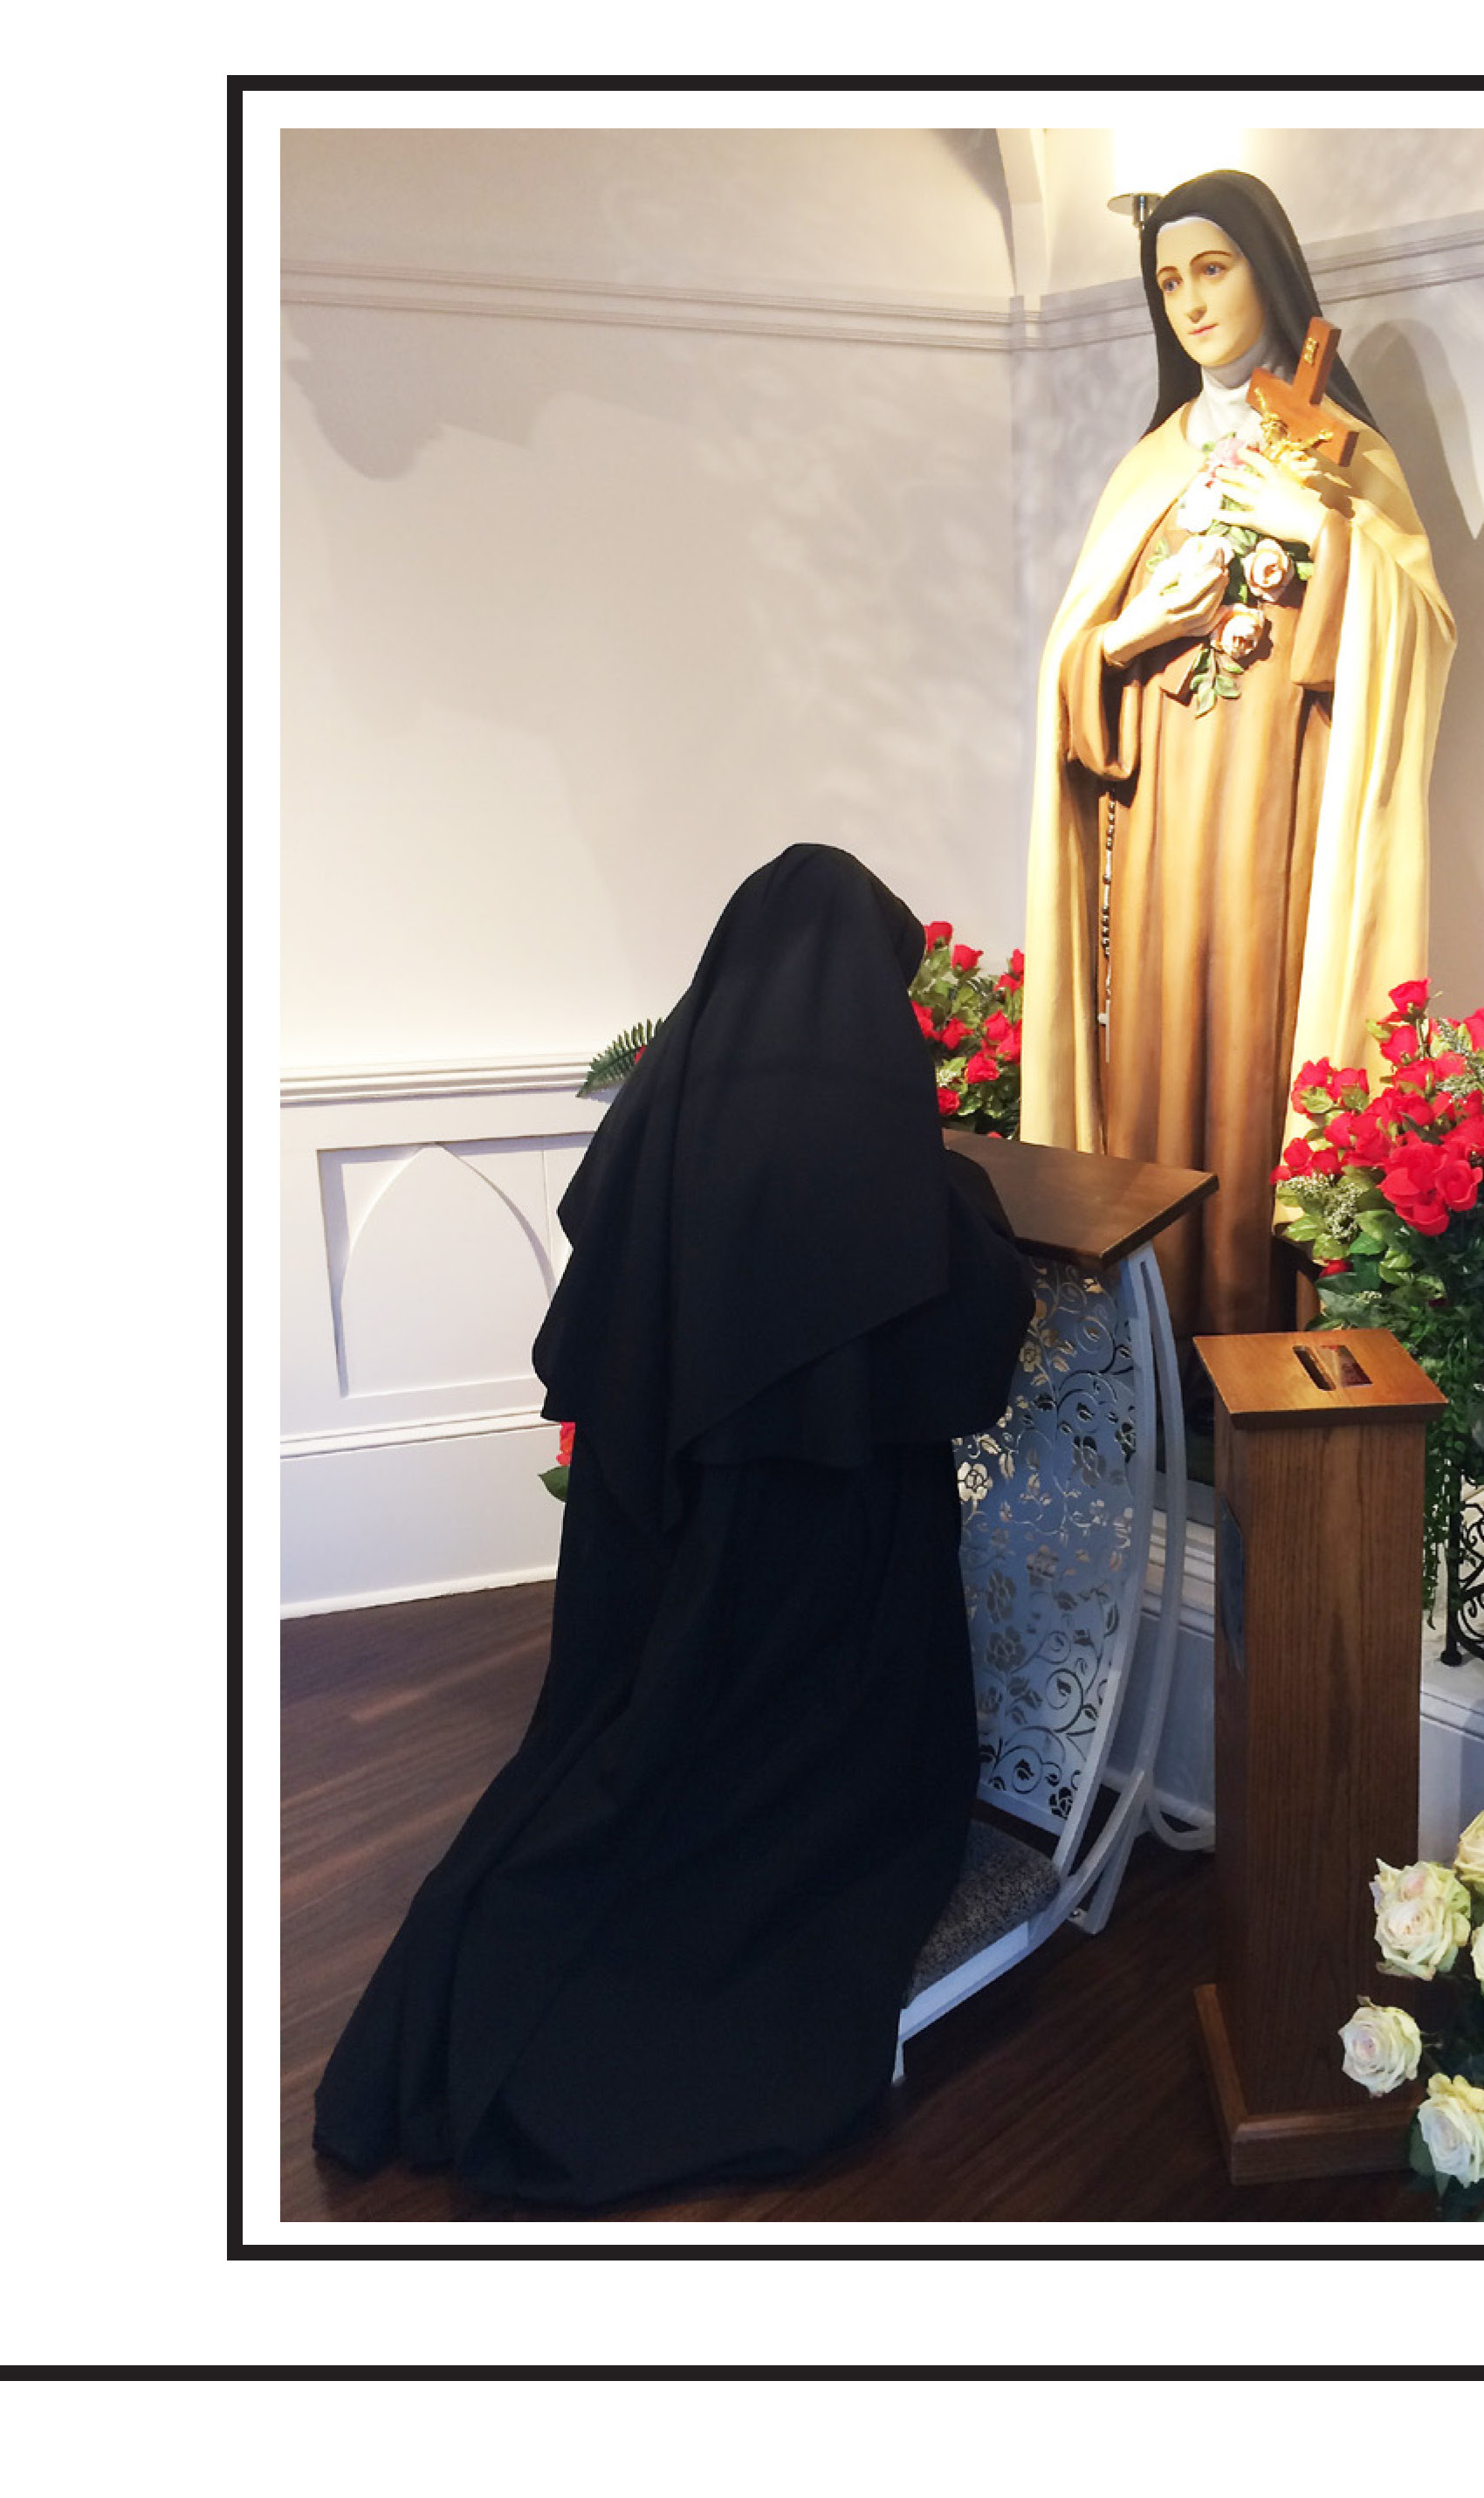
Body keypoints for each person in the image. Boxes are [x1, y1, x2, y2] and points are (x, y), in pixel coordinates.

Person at [313, 845, 1037, 2206]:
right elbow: (961, 1348)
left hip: (653, 1560)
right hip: (821, 1583)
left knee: (602, 1773)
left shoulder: (663, 1116)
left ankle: (476, 2007)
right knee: (781, 1821)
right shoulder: (887, 1163)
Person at [1014, 169, 1453, 1343]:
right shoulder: (1147, 468)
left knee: (1264, 1064)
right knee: (1155, 1070)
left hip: (1283, 821)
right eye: (1169, 282)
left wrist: (1323, 536)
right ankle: (1153, 1363)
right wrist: (1132, 632)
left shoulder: (1342, 454)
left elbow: (1421, 632)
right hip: (1156, 830)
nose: (1192, 303)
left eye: (1213, 269)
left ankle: (1260, 1360)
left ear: (1269, 270)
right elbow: (1072, 674)